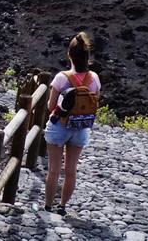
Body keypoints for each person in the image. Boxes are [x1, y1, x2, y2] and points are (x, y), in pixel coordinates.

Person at [43, 32, 101, 216]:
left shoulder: (61, 78)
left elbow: (51, 106)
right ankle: (62, 207)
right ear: (87, 56)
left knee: (53, 170)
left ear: (70, 55)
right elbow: (94, 104)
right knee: (71, 170)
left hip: (60, 125)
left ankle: (48, 206)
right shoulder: (94, 79)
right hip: (81, 128)